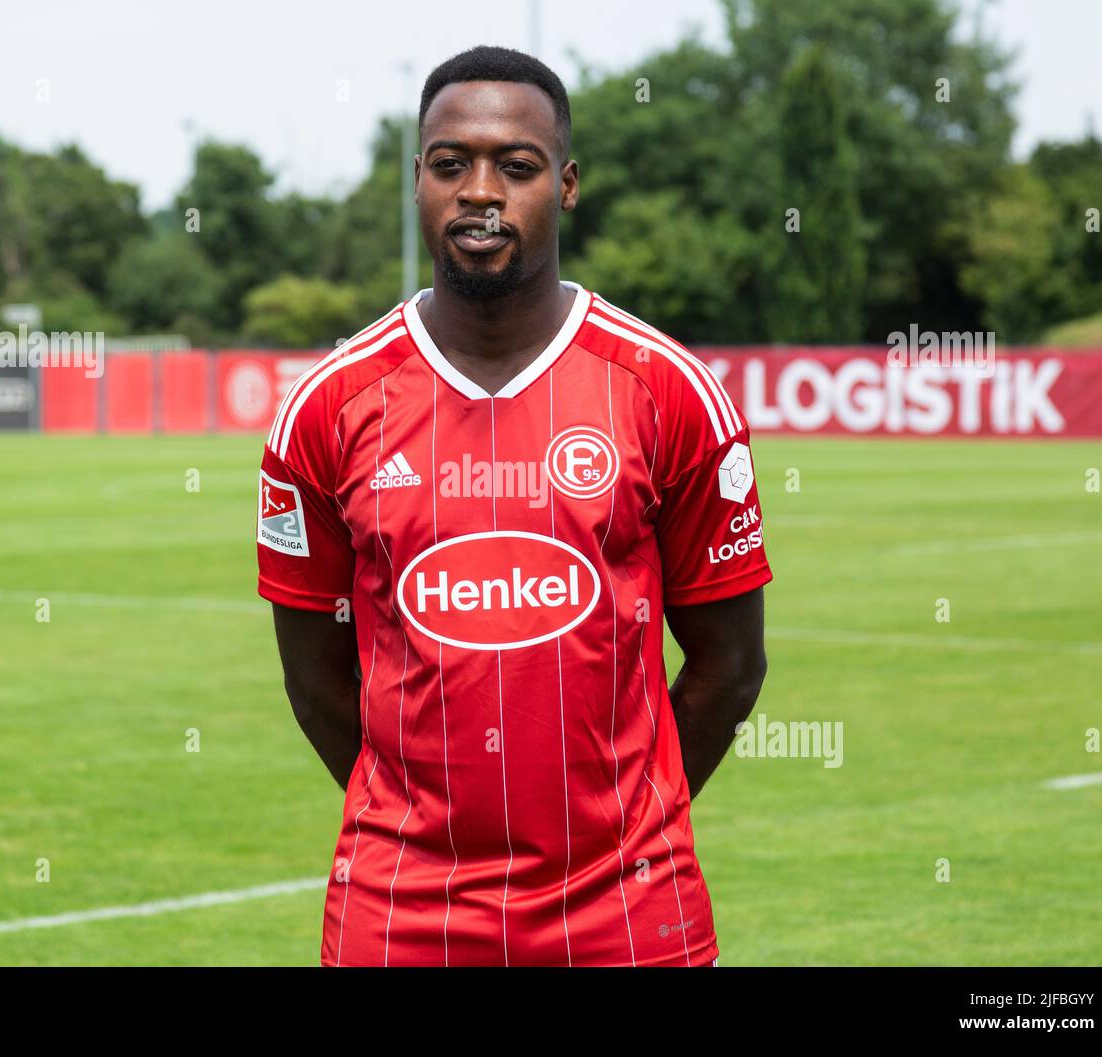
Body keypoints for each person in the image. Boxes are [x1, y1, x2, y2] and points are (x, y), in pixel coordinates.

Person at [256, 44, 770, 966]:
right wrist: (419, 829)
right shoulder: (329, 406)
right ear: (417, 181)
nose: (481, 191)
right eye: (451, 164)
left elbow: (729, 668)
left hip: (629, 912)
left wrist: (620, 829)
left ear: (566, 186)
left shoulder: (667, 389)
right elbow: (316, 683)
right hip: (400, 916)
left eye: (516, 166)